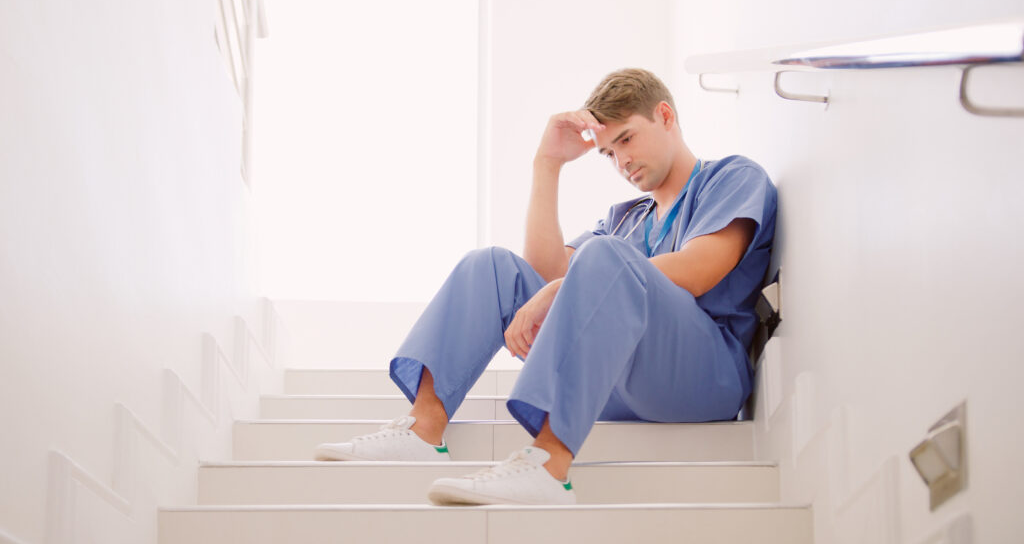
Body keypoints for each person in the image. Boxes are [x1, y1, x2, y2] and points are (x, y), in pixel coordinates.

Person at [314, 68, 777, 506]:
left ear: (665, 115)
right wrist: (548, 163)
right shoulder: (625, 219)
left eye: (626, 139)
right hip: (617, 380)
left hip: (704, 376)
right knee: (490, 266)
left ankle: (549, 465)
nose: (622, 161)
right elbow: (544, 271)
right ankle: (423, 429)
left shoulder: (731, 177)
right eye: (608, 153)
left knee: (603, 258)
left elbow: (699, 270)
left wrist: (562, 287)